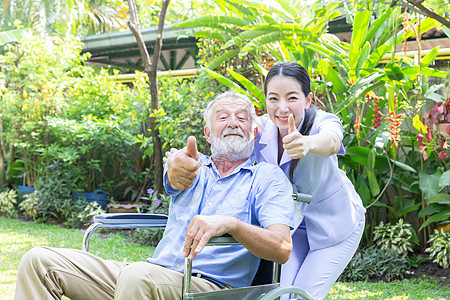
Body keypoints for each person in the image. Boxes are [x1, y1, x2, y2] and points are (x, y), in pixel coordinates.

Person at [14, 91, 295, 300]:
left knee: (137, 277)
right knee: (39, 261)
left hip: (207, 289)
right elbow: (175, 175)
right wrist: (173, 167)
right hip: (151, 273)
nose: (233, 122)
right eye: (223, 117)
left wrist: (231, 224)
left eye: (242, 117)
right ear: (208, 133)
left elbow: (282, 248)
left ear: (254, 131)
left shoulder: (267, 178)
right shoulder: (191, 166)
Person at [166, 62, 366, 299]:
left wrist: (306, 143)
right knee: (281, 295)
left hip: (335, 226)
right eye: (274, 99)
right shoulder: (257, 128)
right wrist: (174, 161)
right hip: (290, 227)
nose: (282, 108)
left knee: (302, 296)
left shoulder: (323, 122)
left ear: (308, 99)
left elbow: (332, 141)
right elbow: (221, 143)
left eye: (292, 98)